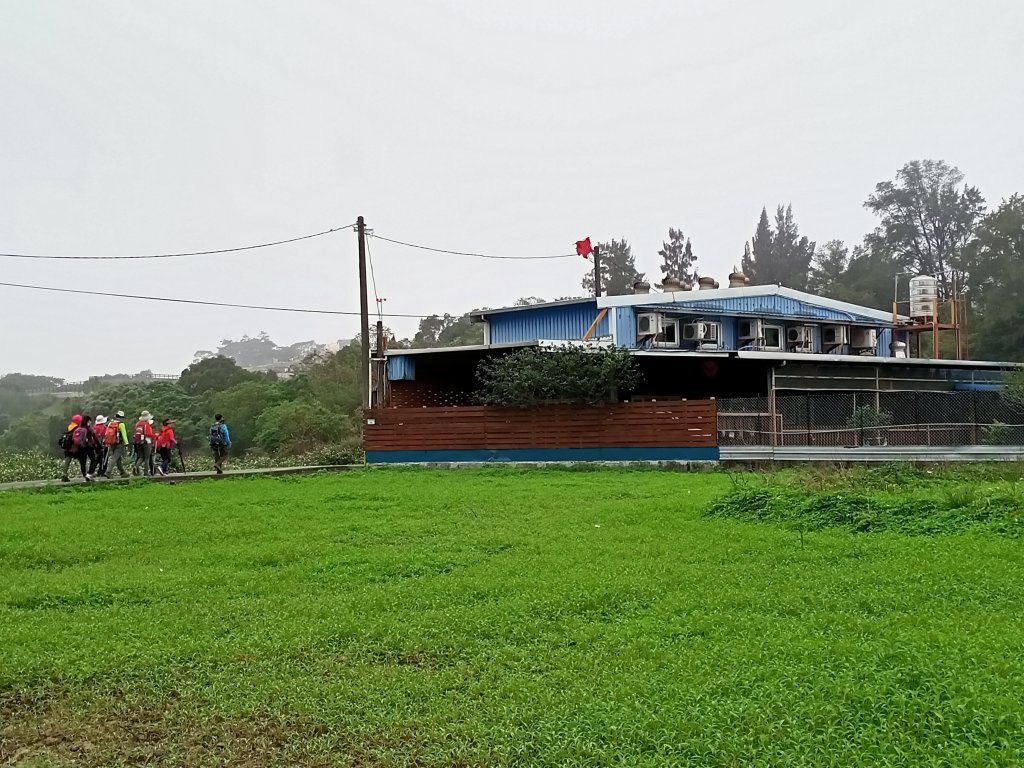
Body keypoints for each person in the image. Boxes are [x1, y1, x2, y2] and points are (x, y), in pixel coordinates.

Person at [101, 410, 130, 478]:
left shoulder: (110, 423)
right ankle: (108, 472)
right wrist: (126, 444)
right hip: (119, 444)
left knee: (118, 458)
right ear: (121, 417)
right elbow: (124, 435)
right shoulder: (121, 424)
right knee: (114, 458)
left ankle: (123, 472)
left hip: (111, 443)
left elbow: (106, 433)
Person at [60, 414, 87, 482]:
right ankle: (85, 475)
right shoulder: (78, 428)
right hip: (76, 448)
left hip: (67, 448)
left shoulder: (68, 427)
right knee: (82, 461)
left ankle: (64, 474)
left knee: (67, 461)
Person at [132, 410, 156, 477]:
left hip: (138, 442)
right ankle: (146, 472)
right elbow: (148, 434)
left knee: (141, 456)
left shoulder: (137, 424)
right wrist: (155, 435)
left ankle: (136, 466)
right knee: (147, 458)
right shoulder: (146, 424)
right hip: (146, 442)